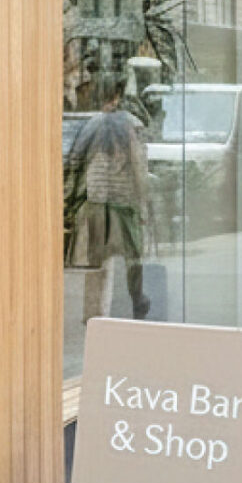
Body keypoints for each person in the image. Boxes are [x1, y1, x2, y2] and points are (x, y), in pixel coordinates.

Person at [66, 93, 151, 321]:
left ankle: (93, 312)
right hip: (125, 200)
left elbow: (74, 160)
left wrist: (72, 197)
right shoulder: (132, 125)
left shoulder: (92, 124)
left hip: (97, 199)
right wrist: (144, 205)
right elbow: (140, 168)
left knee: (97, 262)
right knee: (133, 257)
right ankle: (137, 301)